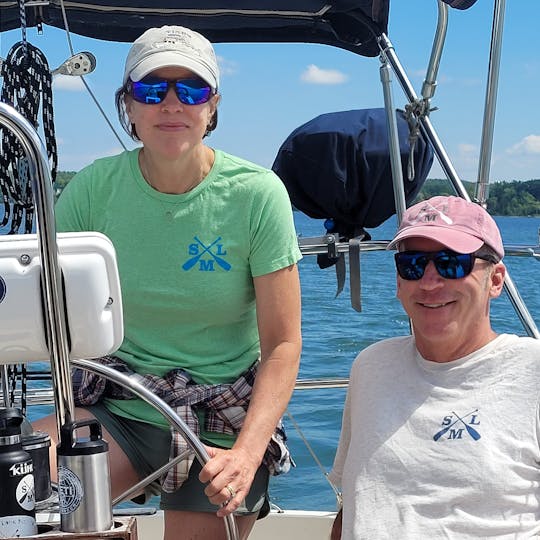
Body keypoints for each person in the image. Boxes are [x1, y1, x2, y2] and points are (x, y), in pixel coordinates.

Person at [35, 25, 302, 540]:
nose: (172, 104)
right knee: (15, 483)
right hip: (120, 406)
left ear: (213, 106)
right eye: (153, 90)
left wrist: (247, 455)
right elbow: (43, 300)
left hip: (222, 419)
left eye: (192, 90)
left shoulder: (257, 195)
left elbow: (284, 344)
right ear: (129, 106)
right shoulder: (92, 190)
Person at [329, 195, 540, 539]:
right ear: (399, 283)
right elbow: (355, 504)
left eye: (451, 262)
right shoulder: (371, 367)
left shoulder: (533, 371)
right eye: (411, 265)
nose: (429, 282)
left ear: (496, 280)